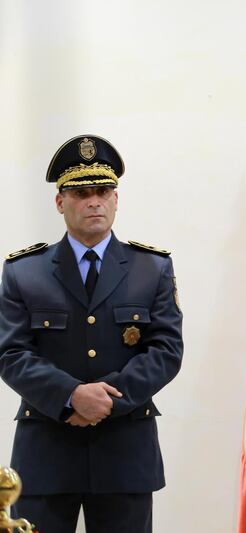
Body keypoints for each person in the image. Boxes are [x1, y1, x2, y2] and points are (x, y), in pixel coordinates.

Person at [0, 135, 184, 533]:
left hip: (124, 452)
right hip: (47, 450)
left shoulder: (152, 268)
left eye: (103, 191)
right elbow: (11, 354)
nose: (94, 201)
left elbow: (166, 351)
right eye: (81, 193)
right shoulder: (22, 272)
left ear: (116, 199)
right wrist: (71, 397)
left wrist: (104, 401)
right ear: (60, 202)